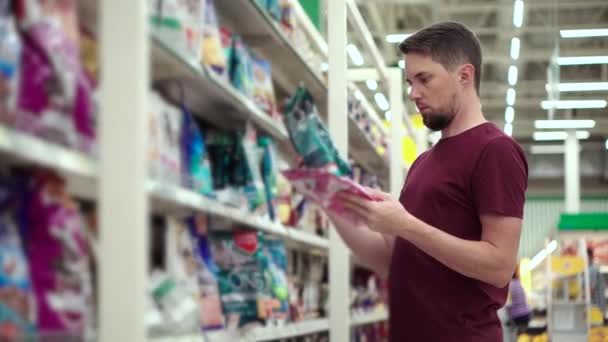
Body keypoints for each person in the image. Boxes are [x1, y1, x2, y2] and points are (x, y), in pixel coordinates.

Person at [329, 21, 529, 341]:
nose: (413, 93)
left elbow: (499, 265)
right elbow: (391, 262)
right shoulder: (424, 162)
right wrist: (330, 200)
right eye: (410, 81)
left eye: (424, 79)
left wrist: (405, 224)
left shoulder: (495, 150)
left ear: (464, 75)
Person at [507, 265, 532, 335]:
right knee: (524, 336)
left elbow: (508, 304)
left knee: (517, 336)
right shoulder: (519, 283)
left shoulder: (509, 285)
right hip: (526, 314)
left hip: (517, 316)